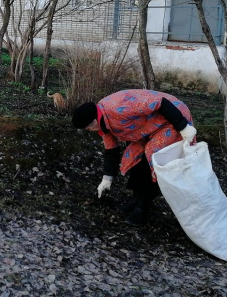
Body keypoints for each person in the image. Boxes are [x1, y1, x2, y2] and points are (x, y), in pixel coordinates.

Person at [72, 89, 197, 226]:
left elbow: (160, 103)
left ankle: (143, 206)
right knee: (132, 156)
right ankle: (136, 199)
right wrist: (107, 179)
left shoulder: (119, 108)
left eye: (87, 128)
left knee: (151, 157)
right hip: (148, 126)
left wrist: (183, 127)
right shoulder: (104, 122)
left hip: (171, 117)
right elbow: (111, 150)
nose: (88, 131)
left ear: (94, 121)